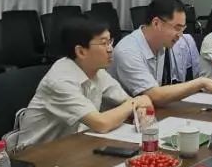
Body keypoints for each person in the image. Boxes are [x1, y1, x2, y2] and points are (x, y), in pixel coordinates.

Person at [9, 17, 152, 149]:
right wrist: (136, 102)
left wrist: (139, 109)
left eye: (110, 42)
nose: (110, 49)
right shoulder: (60, 81)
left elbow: (129, 102)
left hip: (72, 144)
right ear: (81, 52)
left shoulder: (97, 71)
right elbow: (101, 123)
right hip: (36, 154)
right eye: (104, 43)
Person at [109, 0, 212, 105]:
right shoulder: (128, 51)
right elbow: (154, 95)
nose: (180, 35)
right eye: (177, 28)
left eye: (183, 29)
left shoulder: (161, 44)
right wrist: (201, 82)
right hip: (119, 121)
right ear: (156, 23)